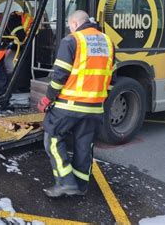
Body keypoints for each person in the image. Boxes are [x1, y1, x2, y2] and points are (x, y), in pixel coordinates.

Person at [37, 10, 115, 198]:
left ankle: (65, 182)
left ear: (74, 23)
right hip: (95, 106)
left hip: (69, 105)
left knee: (53, 140)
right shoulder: (108, 42)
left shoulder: (72, 40)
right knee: (84, 145)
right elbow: (112, 74)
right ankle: (81, 186)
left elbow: (59, 76)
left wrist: (48, 98)